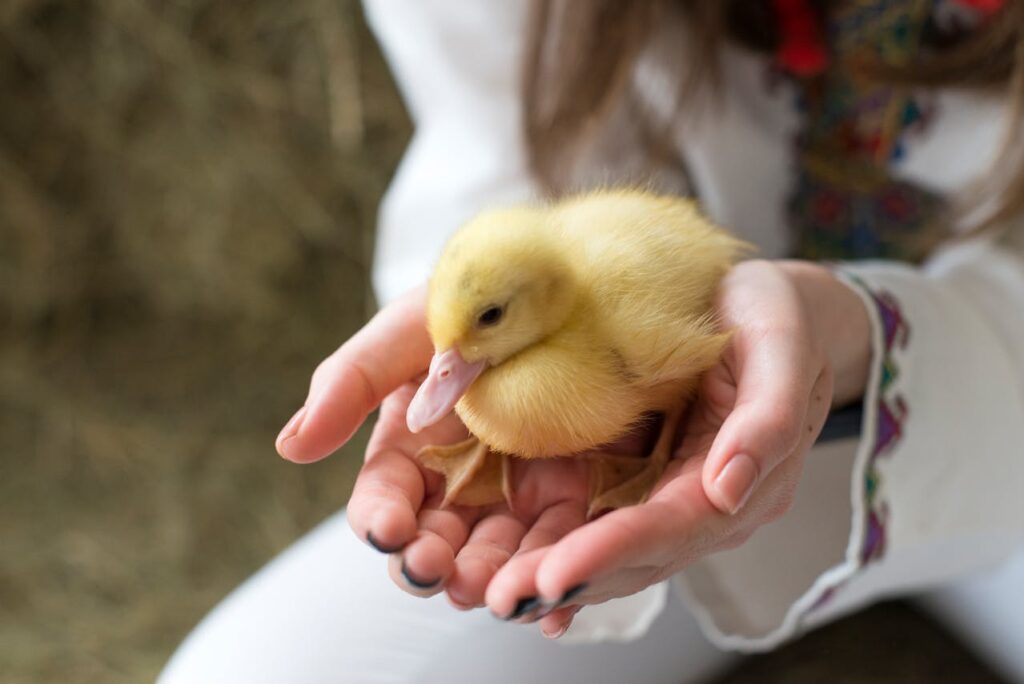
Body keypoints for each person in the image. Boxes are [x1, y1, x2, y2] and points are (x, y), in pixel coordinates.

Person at [160, 1, 1024, 682]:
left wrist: (853, 335)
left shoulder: (621, 336)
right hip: (690, 437)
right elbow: (502, 156)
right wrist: (457, 339)